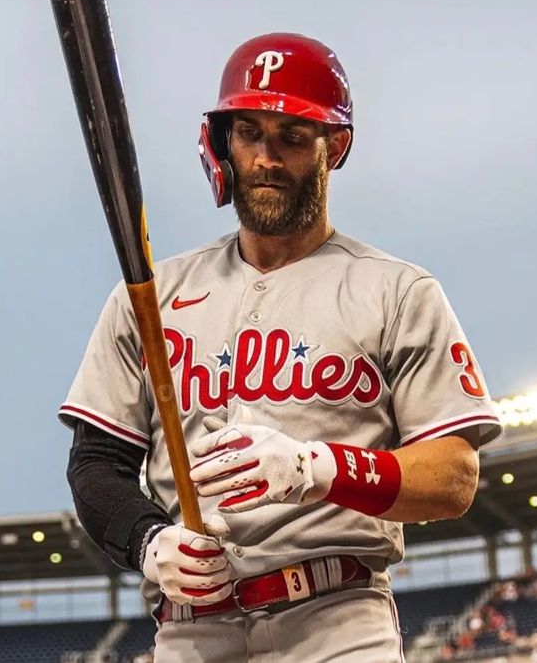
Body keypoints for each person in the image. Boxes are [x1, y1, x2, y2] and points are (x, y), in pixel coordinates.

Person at [59, 32, 503, 662]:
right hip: (190, 629)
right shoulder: (150, 298)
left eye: (292, 136)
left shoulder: (396, 290)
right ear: (222, 143)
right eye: (249, 132)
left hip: (336, 621)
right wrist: (149, 541)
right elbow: (96, 464)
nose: (266, 157)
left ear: (335, 146)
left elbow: (454, 476)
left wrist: (317, 468)